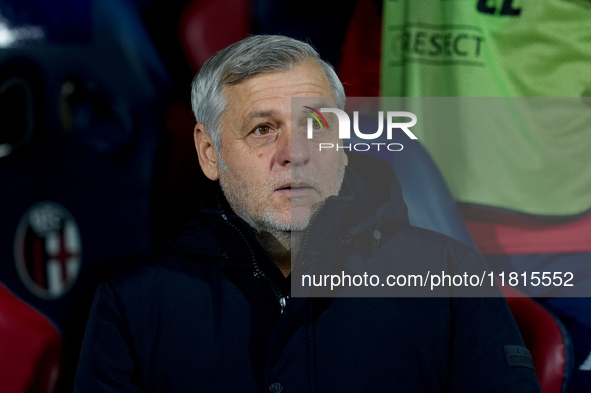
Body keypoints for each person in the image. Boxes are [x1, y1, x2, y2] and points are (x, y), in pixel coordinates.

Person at [74, 35, 541, 392]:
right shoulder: (131, 304)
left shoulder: (450, 276)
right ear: (209, 152)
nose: (295, 152)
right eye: (262, 129)